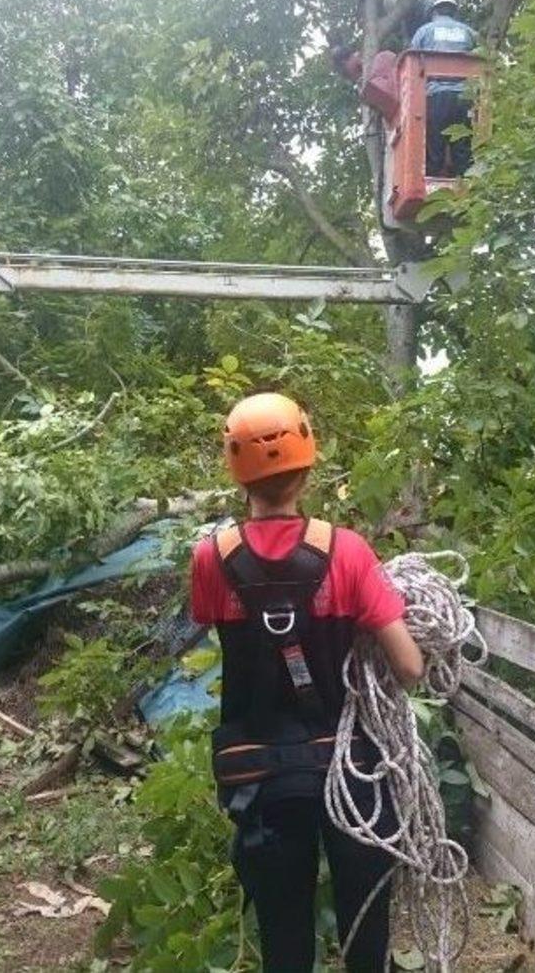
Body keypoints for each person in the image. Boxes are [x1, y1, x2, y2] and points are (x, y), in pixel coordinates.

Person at [190, 392, 424, 973]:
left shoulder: (210, 559)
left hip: (261, 775)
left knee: (284, 935)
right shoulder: (347, 553)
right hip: (352, 769)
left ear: (235, 467)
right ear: (307, 461)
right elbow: (411, 668)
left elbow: (219, 626)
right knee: (365, 932)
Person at [411, 0, 476, 177]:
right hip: (464, 98)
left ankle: (432, 181)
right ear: (454, 11)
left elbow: (412, 62)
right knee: (462, 147)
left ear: (434, 11)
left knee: (434, 145)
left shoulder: (424, 31)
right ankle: (465, 182)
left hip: (436, 97)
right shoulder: (469, 33)